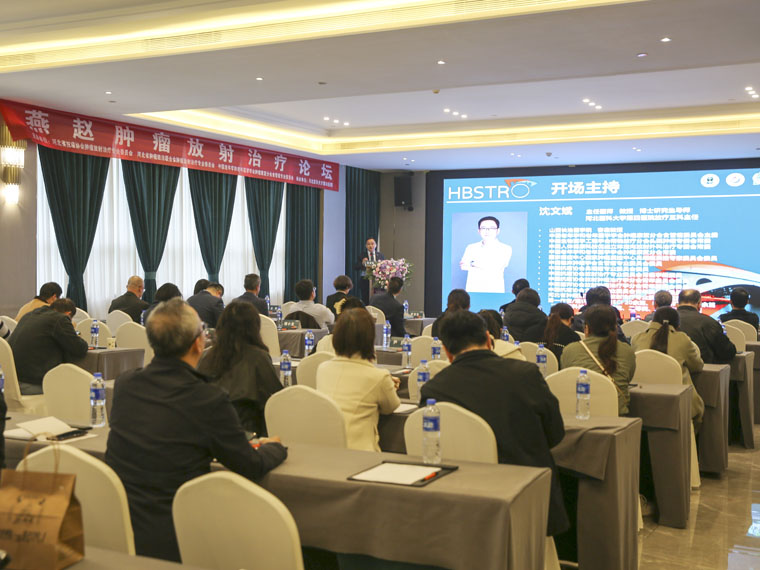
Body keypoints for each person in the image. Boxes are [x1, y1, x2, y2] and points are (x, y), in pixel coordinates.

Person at [105, 298, 287, 562]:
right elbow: (250, 465)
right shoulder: (207, 399)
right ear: (198, 343)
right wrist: (275, 447)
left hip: (122, 528)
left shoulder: (125, 384)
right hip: (182, 535)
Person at [419, 310, 568, 537]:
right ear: (490, 340)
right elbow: (556, 434)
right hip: (528, 497)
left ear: (447, 352)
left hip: (459, 502)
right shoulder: (526, 374)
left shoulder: (434, 389)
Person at [316, 308, 400, 451]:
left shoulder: (323, 369)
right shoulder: (379, 377)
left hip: (325, 451)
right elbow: (390, 407)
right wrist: (389, 387)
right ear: (369, 338)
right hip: (361, 456)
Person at [197, 302, 282, 436]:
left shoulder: (206, 357)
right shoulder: (258, 357)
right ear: (254, 328)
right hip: (247, 432)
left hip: (208, 431)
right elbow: (277, 396)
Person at [631, 307, 705, 425]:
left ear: (652, 321)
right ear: (677, 325)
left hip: (639, 403)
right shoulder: (682, 339)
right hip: (678, 404)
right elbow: (697, 366)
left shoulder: (637, 339)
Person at [561, 304, 636, 414]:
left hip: (581, 412)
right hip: (617, 414)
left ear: (586, 328)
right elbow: (628, 378)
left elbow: (567, 380)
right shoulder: (627, 351)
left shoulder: (570, 350)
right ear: (616, 327)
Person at [8, 298, 88, 394]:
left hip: (10, 383)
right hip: (32, 384)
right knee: (79, 389)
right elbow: (79, 348)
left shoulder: (29, 315)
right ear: (68, 314)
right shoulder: (60, 319)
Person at [677, 289, 736, 364]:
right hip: (702, 368)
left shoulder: (666, 320)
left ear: (678, 303)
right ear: (699, 304)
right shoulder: (709, 322)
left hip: (669, 367)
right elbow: (727, 351)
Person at [459, 216, 512, 293]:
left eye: (491, 228)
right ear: (479, 230)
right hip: (473, 290)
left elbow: (496, 267)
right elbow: (463, 266)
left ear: (498, 231)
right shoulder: (471, 247)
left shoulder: (505, 248)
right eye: (483, 228)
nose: (487, 231)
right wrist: (488, 265)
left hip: (494, 290)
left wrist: (472, 263)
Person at [355, 237, 385, 304]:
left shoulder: (380, 255)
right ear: (366, 246)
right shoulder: (362, 255)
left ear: (375, 245)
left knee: (378, 299)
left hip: (377, 281)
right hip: (365, 281)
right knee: (366, 300)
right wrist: (362, 263)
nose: (370, 246)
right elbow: (356, 267)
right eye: (368, 244)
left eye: (372, 244)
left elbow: (384, 266)